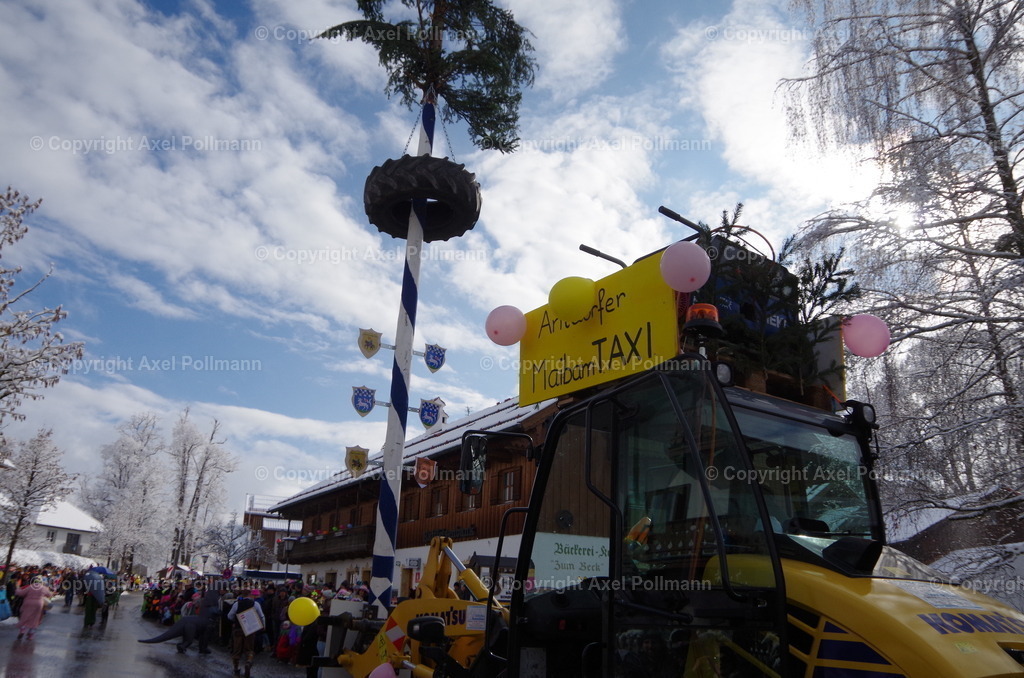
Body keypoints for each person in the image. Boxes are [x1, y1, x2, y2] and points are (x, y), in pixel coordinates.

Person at [227, 589, 266, 678]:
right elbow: (262, 616)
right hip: (250, 629)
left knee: (237, 649)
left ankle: (236, 669)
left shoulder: (237, 604)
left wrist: (235, 621)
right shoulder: (255, 604)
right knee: (249, 649)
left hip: (238, 629)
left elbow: (229, 616)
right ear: (250, 595)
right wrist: (263, 626)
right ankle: (248, 662)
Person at [15, 576, 53, 640]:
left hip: (28, 603)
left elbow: (21, 593)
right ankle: (31, 635)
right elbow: (49, 595)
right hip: (38, 604)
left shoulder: (30, 587)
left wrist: (18, 589)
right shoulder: (43, 588)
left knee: (25, 617)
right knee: (35, 619)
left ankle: (23, 630)